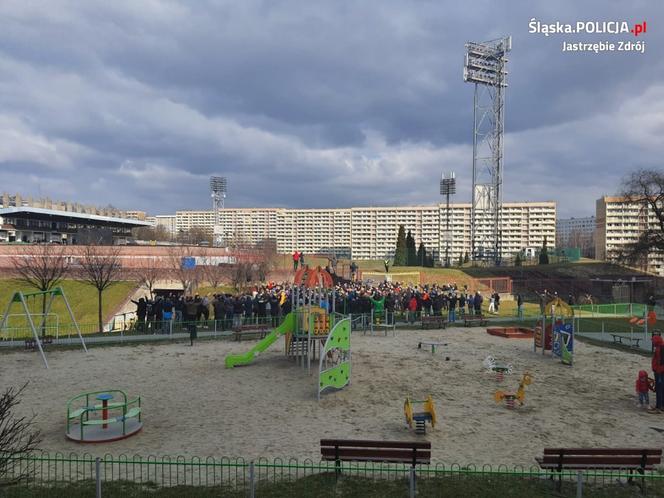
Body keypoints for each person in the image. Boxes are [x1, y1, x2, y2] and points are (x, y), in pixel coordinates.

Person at [650, 335, 664, 413]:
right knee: (661, 389)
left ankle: (659, 407)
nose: (652, 342)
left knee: (659, 389)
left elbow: (660, 362)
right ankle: (662, 406)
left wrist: (658, 372)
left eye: (653, 340)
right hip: (660, 371)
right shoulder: (660, 347)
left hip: (660, 372)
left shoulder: (660, 349)